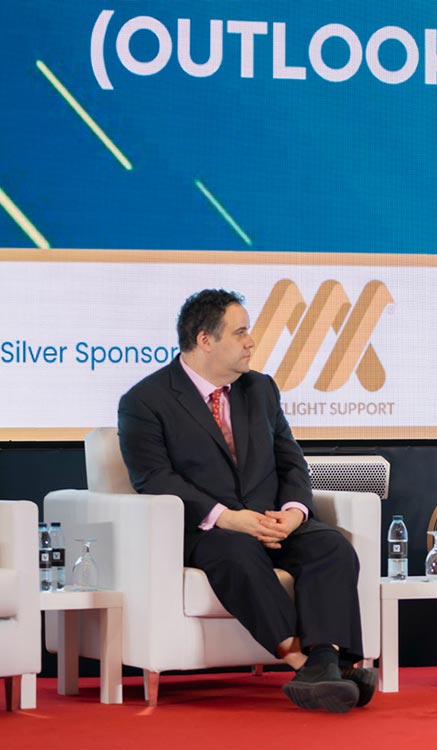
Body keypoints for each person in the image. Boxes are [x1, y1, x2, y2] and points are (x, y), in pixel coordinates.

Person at [118, 289, 375, 713]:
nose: (251, 342)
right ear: (205, 340)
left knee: (330, 546)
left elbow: (291, 461)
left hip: (272, 520)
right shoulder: (145, 402)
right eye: (240, 333)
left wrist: (293, 513)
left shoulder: (260, 388)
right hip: (208, 530)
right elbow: (155, 479)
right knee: (236, 554)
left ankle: (328, 662)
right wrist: (228, 518)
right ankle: (304, 663)